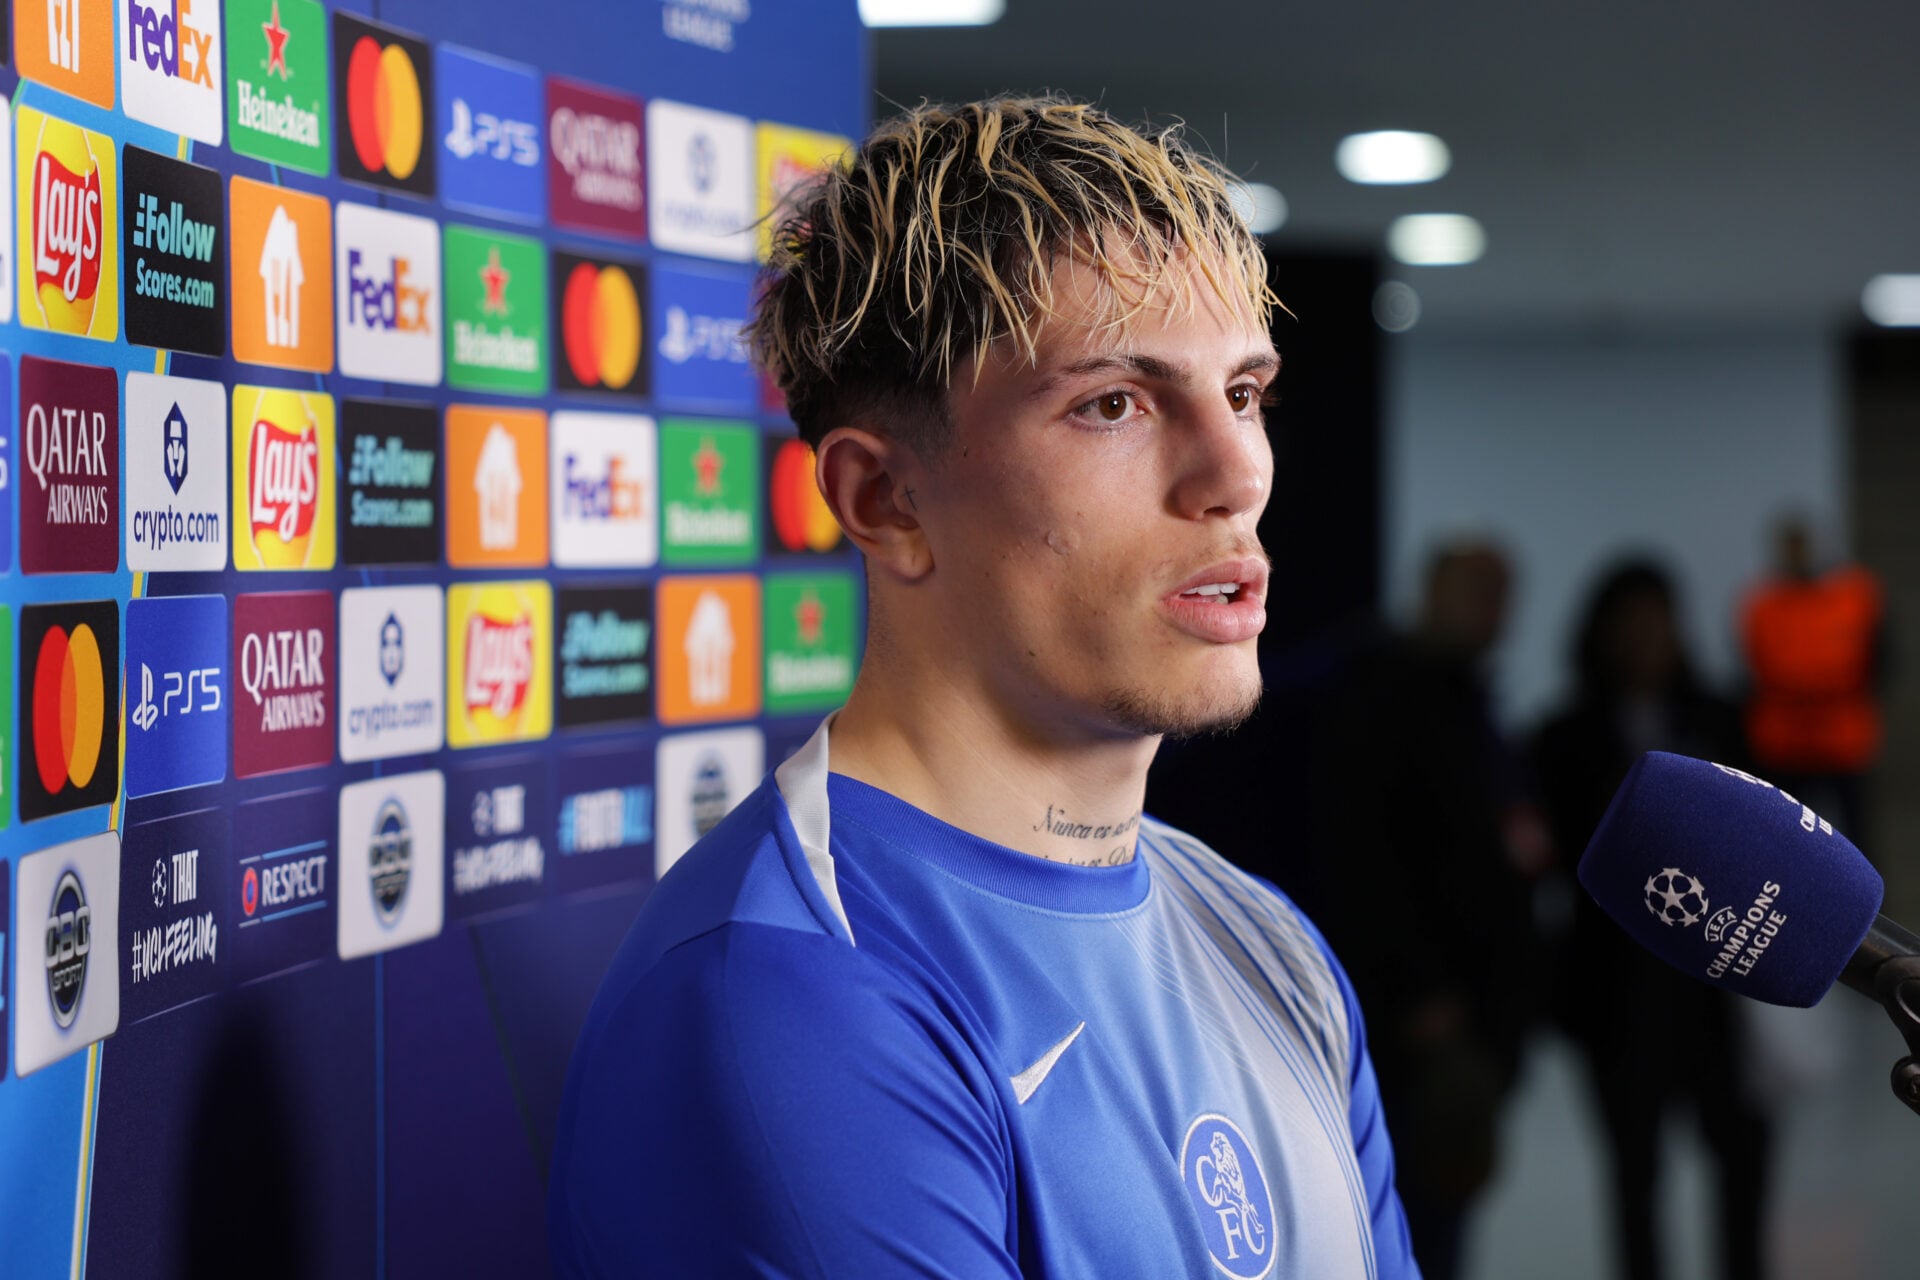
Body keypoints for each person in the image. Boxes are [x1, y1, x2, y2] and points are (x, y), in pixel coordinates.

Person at [548, 97, 1419, 1278]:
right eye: (1113, 403)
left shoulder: (1271, 947)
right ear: (885, 501)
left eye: (1243, 394)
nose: (1236, 474)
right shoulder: (793, 994)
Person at [1311, 539, 1551, 1280]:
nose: (1491, 611)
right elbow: (1362, 862)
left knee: (1445, 1212)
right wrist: (1417, 992)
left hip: (1479, 1018)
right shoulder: (1382, 700)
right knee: (1404, 1222)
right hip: (1418, 1024)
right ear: (1433, 591)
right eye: (1476, 589)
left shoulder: (1472, 703)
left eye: (1501, 594)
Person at [1532, 559, 1771, 1280]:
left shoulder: (1722, 718)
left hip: (1722, 992)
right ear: (1601, 634)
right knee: (1634, 1173)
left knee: (1742, 1157)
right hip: (1615, 993)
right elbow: (1553, 854)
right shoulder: (1562, 736)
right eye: (1628, 622)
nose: (1644, 637)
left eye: (1657, 619)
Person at [1740, 515, 1885, 846]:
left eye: (1804, 544)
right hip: (1783, 743)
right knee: (1781, 838)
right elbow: (1758, 665)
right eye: (1792, 546)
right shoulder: (1762, 605)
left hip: (1844, 739)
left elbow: (1879, 660)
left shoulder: (1856, 596)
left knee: (1857, 837)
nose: (1799, 553)